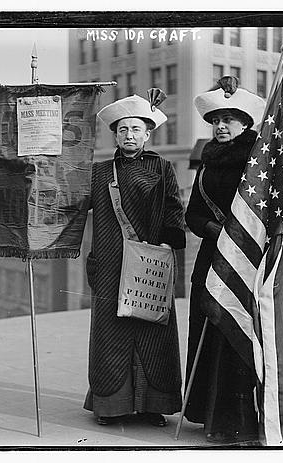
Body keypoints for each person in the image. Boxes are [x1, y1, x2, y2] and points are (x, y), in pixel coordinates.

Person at [83, 93, 186, 427]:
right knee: (111, 333)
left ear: (147, 134)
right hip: (111, 264)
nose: (128, 135)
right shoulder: (99, 172)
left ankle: (153, 405)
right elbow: (71, 204)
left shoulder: (162, 168)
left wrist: (168, 246)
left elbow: (173, 208)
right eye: (122, 129)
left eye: (135, 129)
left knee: (151, 332)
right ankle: (111, 406)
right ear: (115, 135)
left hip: (149, 263)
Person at [184, 76, 266, 445]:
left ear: (245, 124)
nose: (220, 126)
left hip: (243, 260)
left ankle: (237, 422)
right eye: (216, 120)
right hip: (211, 255)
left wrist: (234, 236)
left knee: (233, 334)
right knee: (208, 327)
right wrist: (212, 229)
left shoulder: (256, 161)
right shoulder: (207, 160)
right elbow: (192, 216)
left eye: (229, 120)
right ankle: (208, 415)